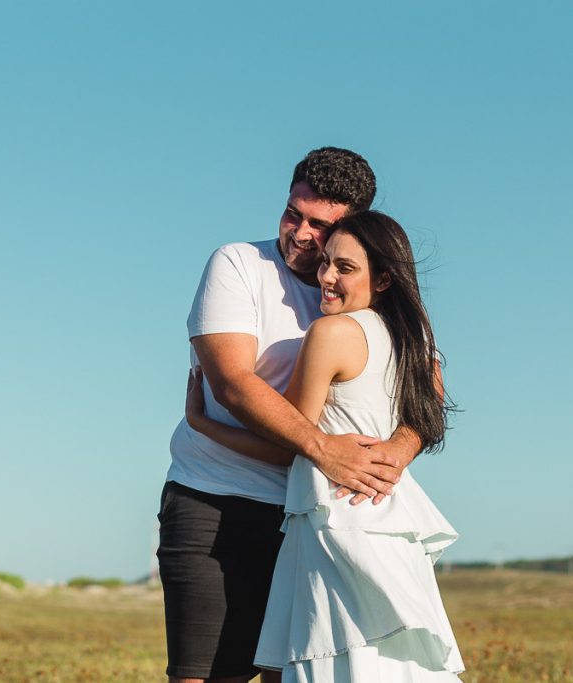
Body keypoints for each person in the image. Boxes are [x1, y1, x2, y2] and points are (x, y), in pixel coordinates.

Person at [158, 148, 426, 683]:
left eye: (320, 225)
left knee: (303, 676)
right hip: (216, 500)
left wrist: (399, 449)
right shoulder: (237, 264)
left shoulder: (367, 300)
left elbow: (428, 389)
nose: (300, 234)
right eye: (292, 213)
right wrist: (323, 449)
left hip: (313, 517)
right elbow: (234, 384)